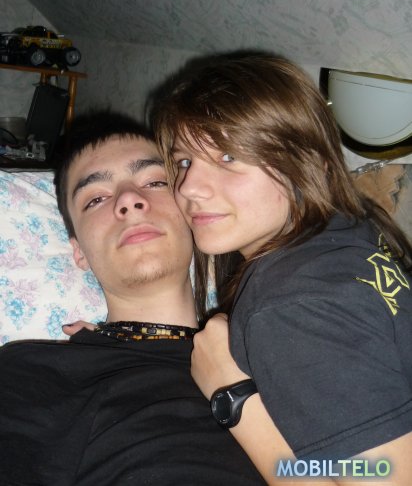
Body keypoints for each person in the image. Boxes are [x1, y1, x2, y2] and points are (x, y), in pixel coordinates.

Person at [153, 53, 412, 485]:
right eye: (184, 162)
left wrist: (232, 396)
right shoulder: (349, 227)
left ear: (308, 163)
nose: (190, 188)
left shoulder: (291, 307)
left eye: (228, 156)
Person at [0, 111, 265, 486]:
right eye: (96, 199)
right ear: (79, 251)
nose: (129, 199)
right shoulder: (36, 374)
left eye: (155, 182)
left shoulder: (275, 335)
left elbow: (353, 470)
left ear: (193, 214)